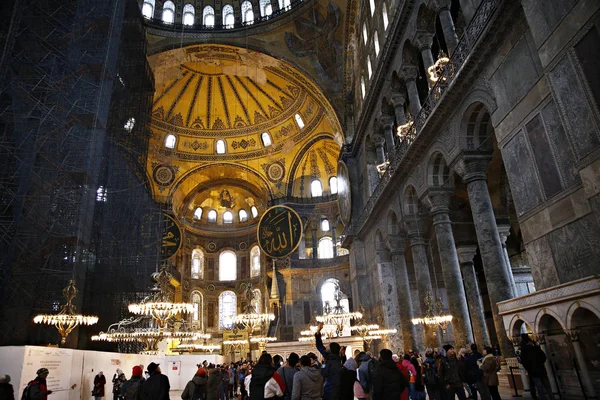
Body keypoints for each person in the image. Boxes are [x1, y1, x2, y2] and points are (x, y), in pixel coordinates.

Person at [520, 335, 553, 400]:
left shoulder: (523, 351)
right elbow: (543, 357)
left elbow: (524, 363)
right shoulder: (536, 348)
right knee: (547, 387)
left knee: (539, 388)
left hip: (533, 372)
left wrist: (529, 369)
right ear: (529, 342)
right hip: (541, 370)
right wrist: (540, 364)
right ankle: (552, 398)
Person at [315, 322, 342, 400]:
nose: (326, 347)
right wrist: (318, 332)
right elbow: (319, 346)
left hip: (331, 389)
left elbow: (323, 373)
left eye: (328, 347)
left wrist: (323, 364)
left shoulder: (332, 360)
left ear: (331, 350)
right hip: (331, 388)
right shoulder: (331, 357)